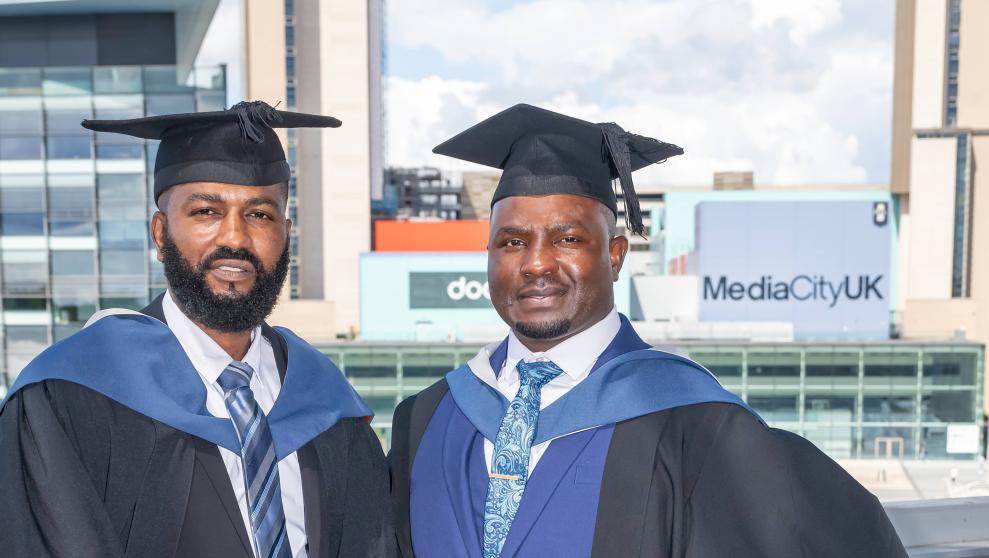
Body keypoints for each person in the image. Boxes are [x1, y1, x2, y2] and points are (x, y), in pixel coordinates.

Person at [388, 104, 907, 558]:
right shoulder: (427, 418)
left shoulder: (692, 420)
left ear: (614, 255)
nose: (537, 263)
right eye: (512, 242)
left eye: (567, 238)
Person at [0, 102, 393, 558]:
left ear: (286, 233)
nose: (236, 239)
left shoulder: (326, 403)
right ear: (161, 234)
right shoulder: (69, 396)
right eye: (206, 211)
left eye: (259, 215)